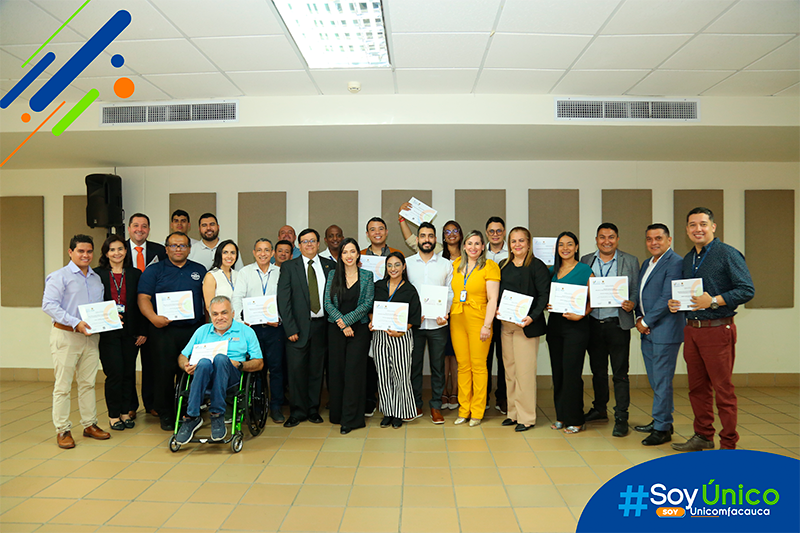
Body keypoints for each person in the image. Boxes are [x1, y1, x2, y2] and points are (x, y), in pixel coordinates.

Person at [669, 207, 754, 451]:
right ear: (687, 230)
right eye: (692, 225)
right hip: (692, 330)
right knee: (697, 388)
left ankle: (728, 444)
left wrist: (714, 301)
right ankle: (703, 435)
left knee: (722, 390)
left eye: (703, 224)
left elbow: (747, 290)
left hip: (717, 329)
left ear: (713, 227)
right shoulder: (688, 259)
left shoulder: (727, 253)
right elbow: (690, 295)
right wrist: (676, 303)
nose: (698, 229)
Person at [42, 234, 110, 448]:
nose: (85, 255)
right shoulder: (59, 277)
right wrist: (75, 323)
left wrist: (109, 318)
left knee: (88, 383)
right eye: (81, 251)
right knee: (63, 386)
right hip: (66, 336)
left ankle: (89, 424)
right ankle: (62, 429)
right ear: (70, 252)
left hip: (91, 338)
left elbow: (97, 309)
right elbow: (49, 305)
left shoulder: (96, 278)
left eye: (89, 251)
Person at [138, 232, 206, 431]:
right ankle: (166, 413)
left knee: (191, 371)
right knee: (163, 373)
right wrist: (153, 318)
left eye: (182, 245)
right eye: (174, 245)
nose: (178, 249)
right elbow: (143, 298)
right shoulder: (153, 271)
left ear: (189, 249)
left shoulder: (199, 270)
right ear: (166, 248)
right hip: (163, 331)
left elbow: (207, 300)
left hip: (192, 331)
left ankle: (188, 411)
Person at [175, 296, 264, 443]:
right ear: (210, 315)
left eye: (224, 313)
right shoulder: (202, 331)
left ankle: (217, 414)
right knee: (204, 362)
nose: (220, 317)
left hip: (231, 377)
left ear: (232, 313)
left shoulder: (246, 331)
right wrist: (186, 365)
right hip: (204, 376)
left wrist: (239, 364)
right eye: (215, 314)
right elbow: (182, 356)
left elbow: (259, 363)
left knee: (221, 359)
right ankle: (192, 417)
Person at [580, 223, 639, 437]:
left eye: (611, 237)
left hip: (617, 324)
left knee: (620, 373)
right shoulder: (586, 260)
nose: (607, 241)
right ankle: (599, 409)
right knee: (598, 371)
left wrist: (632, 302)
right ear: (596, 239)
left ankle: (621, 416)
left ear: (617, 239)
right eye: (602, 237)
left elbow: (636, 290)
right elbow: (580, 289)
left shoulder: (630, 260)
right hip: (593, 324)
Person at [277, 228, 336, 428]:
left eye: (312, 241)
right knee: (296, 371)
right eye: (305, 241)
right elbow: (283, 300)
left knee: (316, 371)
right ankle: (297, 412)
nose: (309, 244)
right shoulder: (289, 267)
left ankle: (312, 409)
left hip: (322, 326)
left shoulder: (330, 266)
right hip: (298, 327)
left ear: (319, 244)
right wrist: (290, 328)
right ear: (299, 245)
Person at [633, 224, 685, 446]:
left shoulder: (675, 262)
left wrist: (645, 321)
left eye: (658, 238)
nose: (653, 242)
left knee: (662, 380)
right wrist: (639, 316)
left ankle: (662, 428)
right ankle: (662, 420)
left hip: (665, 330)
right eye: (649, 239)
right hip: (648, 330)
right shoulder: (648, 263)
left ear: (669, 240)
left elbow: (667, 297)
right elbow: (640, 294)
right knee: (656, 380)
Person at [497, 227, 550, 432]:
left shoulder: (537, 266)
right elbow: (498, 293)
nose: (517, 245)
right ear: (509, 244)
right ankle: (513, 413)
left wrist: (532, 317)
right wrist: (498, 309)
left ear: (528, 243)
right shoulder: (503, 265)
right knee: (510, 371)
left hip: (526, 326)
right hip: (506, 326)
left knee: (525, 373)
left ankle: (526, 417)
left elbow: (544, 295)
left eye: (521, 241)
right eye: (513, 241)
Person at [95, 235, 146, 431]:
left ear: (126, 251)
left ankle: (126, 412)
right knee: (114, 373)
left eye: (120, 249)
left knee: (128, 373)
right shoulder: (97, 274)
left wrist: (142, 330)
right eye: (112, 250)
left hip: (131, 331)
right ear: (106, 253)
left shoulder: (135, 274)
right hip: (107, 332)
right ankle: (114, 415)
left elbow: (141, 303)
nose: (117, 253)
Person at [232, 238, 286, 423]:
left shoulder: (280, 272)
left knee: (277, 369)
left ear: (272, 253)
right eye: (259, 250)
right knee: (256, 368)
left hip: (274, 329)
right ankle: (257, 406)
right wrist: (241, 322)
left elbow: (285, 300)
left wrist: (279, 319)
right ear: (254, 253)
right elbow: (237, 298)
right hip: (251, 329)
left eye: (267, 250)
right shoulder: (245, 272)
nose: (263, 254)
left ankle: (276, 407)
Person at [449, 230, 500, 427]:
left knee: (478, 366)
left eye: (477, 243)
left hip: (479, 319)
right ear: (464, 246)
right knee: (463, 366)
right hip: (457, 318)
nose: (473, 247)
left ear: (483, 246)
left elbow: (493, 299)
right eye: (469, 243)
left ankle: (477, 411)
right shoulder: (456, 265)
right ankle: (464, 410)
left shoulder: (490, 266)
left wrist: (487, 325)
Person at [323, 238, 374, 434]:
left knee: (354, 373)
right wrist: (342, 323)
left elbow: (367, 304)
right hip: (336, 329)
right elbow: (327, 303)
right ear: (340, 255)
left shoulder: (367, 276)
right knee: (337, 372)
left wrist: (348, 321)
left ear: (358, 254)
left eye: (352, 251)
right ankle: (337, 414)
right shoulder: (332, 275)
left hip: (359, 330)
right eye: (345, 252)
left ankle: (351, 419)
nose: (349, 255)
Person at [405, 222, 453, 424]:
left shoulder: (446, 264)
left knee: (438, 367)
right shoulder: (407, 263)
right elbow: (402, 292)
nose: (427, 239)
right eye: (423, 236)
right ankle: (415, 403)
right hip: (414, 325)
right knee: (413, 366)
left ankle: (436, 406)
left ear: (435, 239)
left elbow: (450, 292)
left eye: (430, 236)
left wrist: (445, 313)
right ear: (417, 239)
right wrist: (409, 316)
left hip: (438, 324)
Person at [547, 231, 593, 434]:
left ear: (576, 247)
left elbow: (594, 298)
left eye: (569, 244)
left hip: (576, 326)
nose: (565, 248)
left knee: (572, 373)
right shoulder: (551, 271)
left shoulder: (585, 270)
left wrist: (582, 314)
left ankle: (576, 419)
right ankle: (561, 416)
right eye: (561, 245)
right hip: (555, 325)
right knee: (558, 372)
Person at [371, 252, 421, 429]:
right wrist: (372, 321)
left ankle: (400, 412)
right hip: (380, 336)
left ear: (404, 267)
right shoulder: (378, 286)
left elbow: (414, 317)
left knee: (401, 375)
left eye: (397, 264)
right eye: (390, 265)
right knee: (383, 374)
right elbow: (370, 309)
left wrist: (401, 331)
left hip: (401, 337)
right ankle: (388, 412)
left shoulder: (410, 290)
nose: (393, 269)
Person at [126, 212, 166, 418]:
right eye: (136, 225)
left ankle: (152, 403)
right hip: (127, 318)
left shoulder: (160, 251)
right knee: (127, 366)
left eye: (144, 226)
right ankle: (130, 406)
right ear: (129, 228)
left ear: (149, 229)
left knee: (152, 365)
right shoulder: (119, 250)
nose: (139, 230)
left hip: (153, 316)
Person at [485, 216, 509, 415]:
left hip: (504, 313)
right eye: (491, 231)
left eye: (499, 230)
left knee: (503, 357)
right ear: (487, 233)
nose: (495, 234)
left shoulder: (513, 253)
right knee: (483, 357)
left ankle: (503, 397)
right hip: (482, 313)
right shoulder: (478, 252)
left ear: (504, 232)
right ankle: (482, 397)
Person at [441, 220, 463, 410]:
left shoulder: (467, 257)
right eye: (447, 231)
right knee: (443, 354)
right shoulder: (438, 258)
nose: (451, 234)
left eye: (455, 230)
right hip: (441, 312)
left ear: (460, 234)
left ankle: (455, 391)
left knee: (455, 354)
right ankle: (443, 391)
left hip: (460, 311)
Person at [202, 239, 239, 310]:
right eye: (225, 252)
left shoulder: (238, 275)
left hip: (238, 315)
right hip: (220, 316)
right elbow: (209, 306)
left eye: (232, 253)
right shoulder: (211, 276)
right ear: (219, 254)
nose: (229, 256)